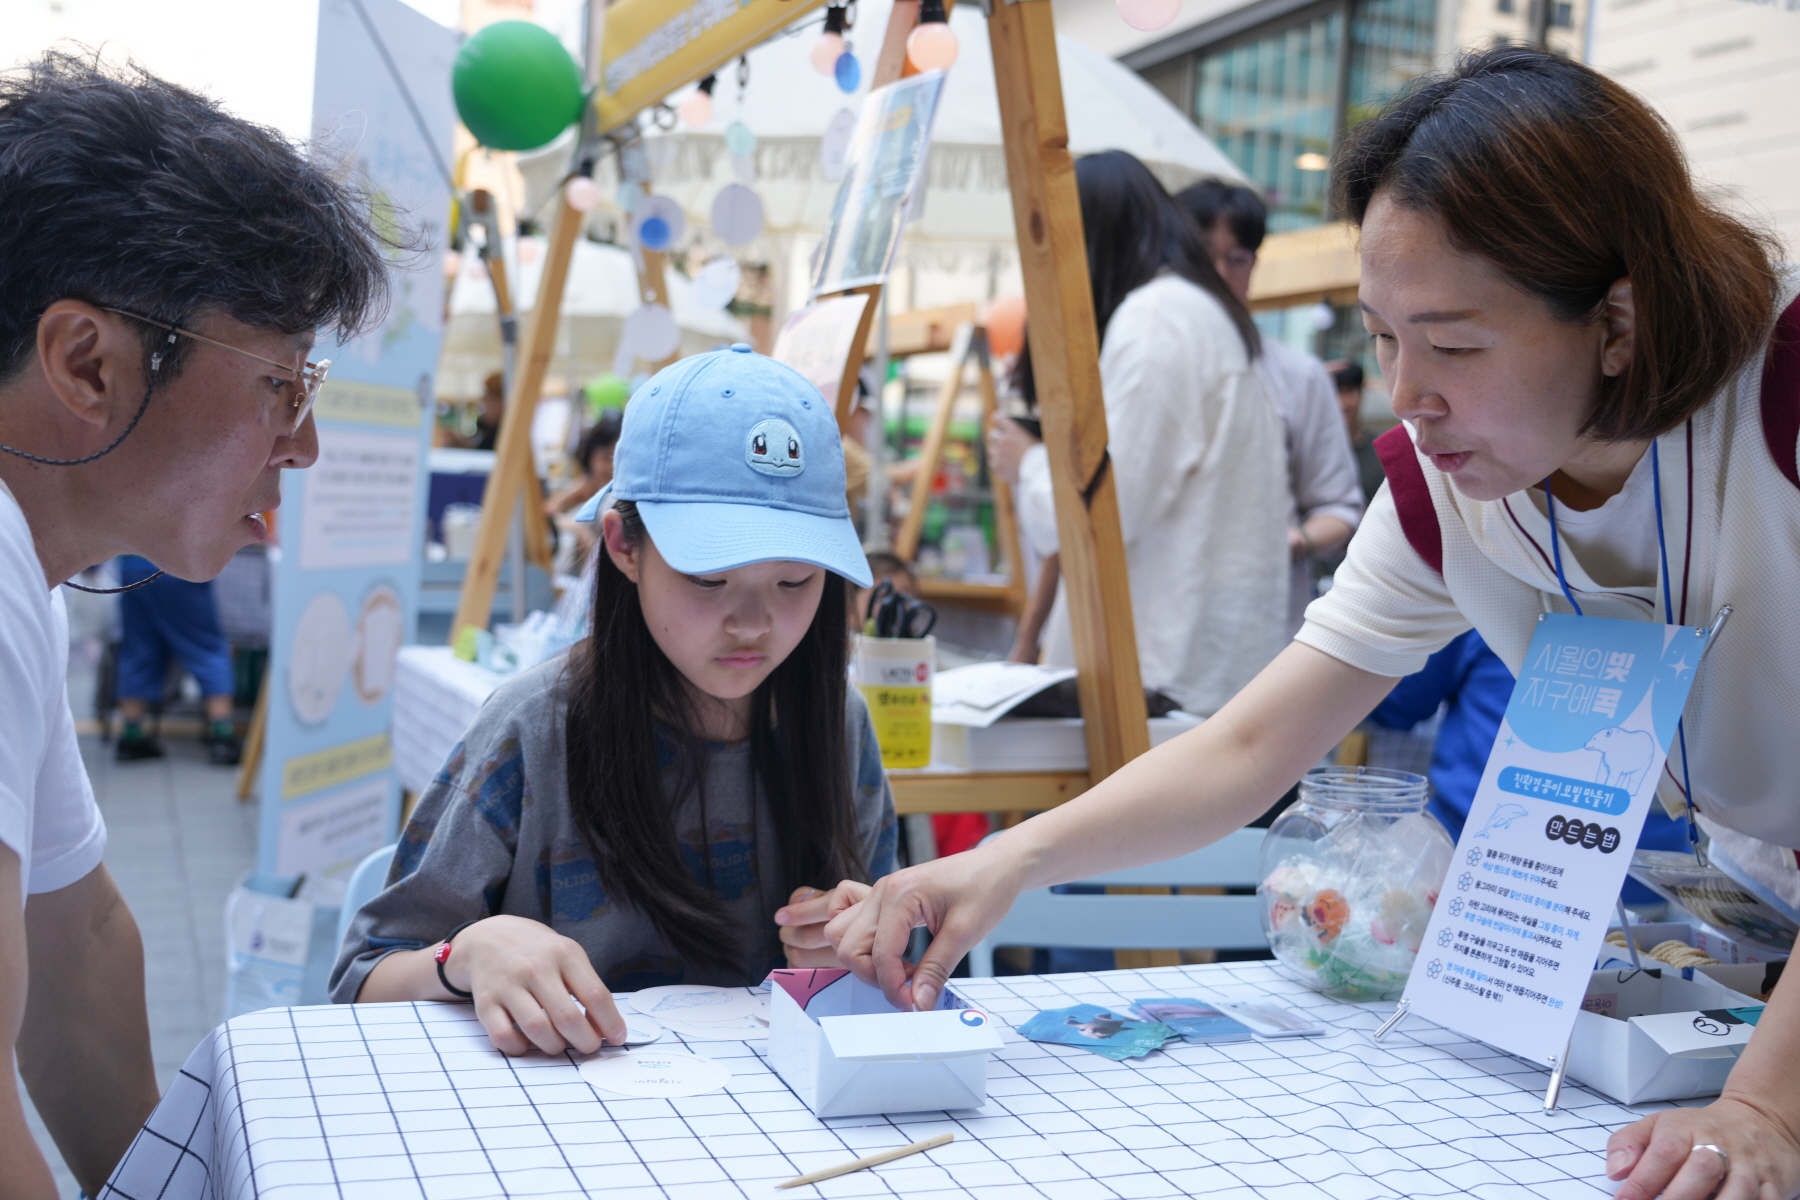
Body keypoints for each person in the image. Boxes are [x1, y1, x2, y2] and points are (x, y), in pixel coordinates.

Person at [828, 47, 1800, 1200]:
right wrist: (1008, 860)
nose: (1407, 393)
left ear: (1618, 321)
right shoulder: (1450, 492)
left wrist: (1760, 1106)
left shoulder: (1781, 408)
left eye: (1454, 343)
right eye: (1382, 338)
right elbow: (1251, 746)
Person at [0, 52, 387, 1197]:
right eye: (282, 383)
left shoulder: (28, 573)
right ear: (89, 363)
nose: (304, 445)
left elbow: (80, 945)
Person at [331, 346, 898, 1057]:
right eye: (709, 579)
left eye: (795, 582)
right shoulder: (534, 727)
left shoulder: (837, 724)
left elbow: (897, 965)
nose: (752, 623)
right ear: (623, 545)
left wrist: (858, 952)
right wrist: (467, 954)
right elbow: (359, 982)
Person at [1006, 151, 1288, 713]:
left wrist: (1028, 461)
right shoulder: (1192, 312)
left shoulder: (1158, 318)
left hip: (1163, 684)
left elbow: (1107, 509)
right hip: (1189, 677)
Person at [1369, 629, 1690, 908]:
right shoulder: (1696, 616)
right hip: (1650, 876)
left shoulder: (1492, 592)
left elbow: (1396, 702)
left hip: (1472, 865)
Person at [1177, 179, 1364, 637]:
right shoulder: (1145, 364)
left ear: (1254, 265)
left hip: (1258, 623)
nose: (1219, 274)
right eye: (1203, 257)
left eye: (1236, 259)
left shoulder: (1298, 375)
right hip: (1156, 619)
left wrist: (1292, 542)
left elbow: (1339, 508)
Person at [112, 559, 242, 764]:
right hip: (181, 566)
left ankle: (131, 736)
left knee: (138, 651)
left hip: (132, 569)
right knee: (205, 649)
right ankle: (222, 737)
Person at [1329, 358, 1387, 503]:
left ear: (1361, 394)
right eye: (1333, 392)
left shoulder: (1382, 453)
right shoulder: (1306, 451)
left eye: (1348, 392)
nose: (1342, 403)